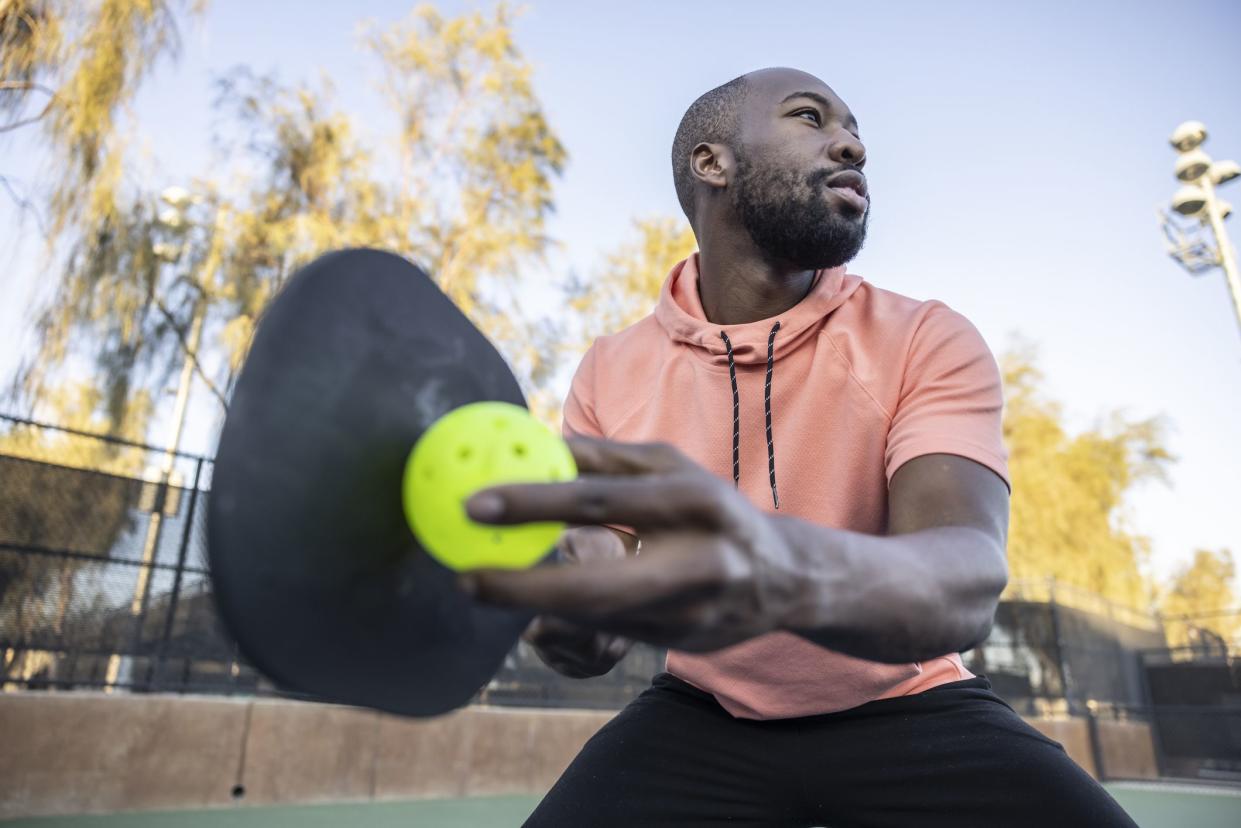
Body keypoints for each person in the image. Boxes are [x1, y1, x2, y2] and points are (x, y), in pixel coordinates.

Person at [458, 67, 1138, 827]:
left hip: (905, 706)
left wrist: (766, 562)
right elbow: (602, 589)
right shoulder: (608, 371)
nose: (850, 144)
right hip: (703, 713)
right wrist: (576, 606)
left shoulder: (924, 337)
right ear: (710, 162)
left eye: (854, 131)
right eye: (810, 118)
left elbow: (964, 577)